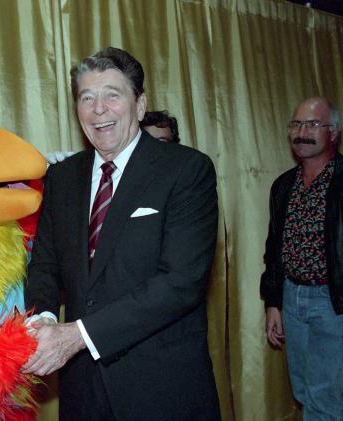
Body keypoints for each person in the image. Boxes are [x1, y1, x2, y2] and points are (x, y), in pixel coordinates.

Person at [23, 46, 220, 420]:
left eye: (113, 95)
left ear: (140, 105)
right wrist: (44, 320)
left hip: (161, 386)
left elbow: (180, 282)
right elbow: (45, 264)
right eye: (87, 97)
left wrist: (77, 335)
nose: (99, 109)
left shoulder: (186, 170)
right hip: (82, 390)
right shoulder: (62, 178)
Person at [260, 97, 342, 420]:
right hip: (292, 300)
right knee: (304, 391)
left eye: (312, 124)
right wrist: (273, 302)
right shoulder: (283, 186)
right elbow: (273, 249)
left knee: (325, 397)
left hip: (332, 302)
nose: (301, 132)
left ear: (333, 132)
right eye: (296, 125)